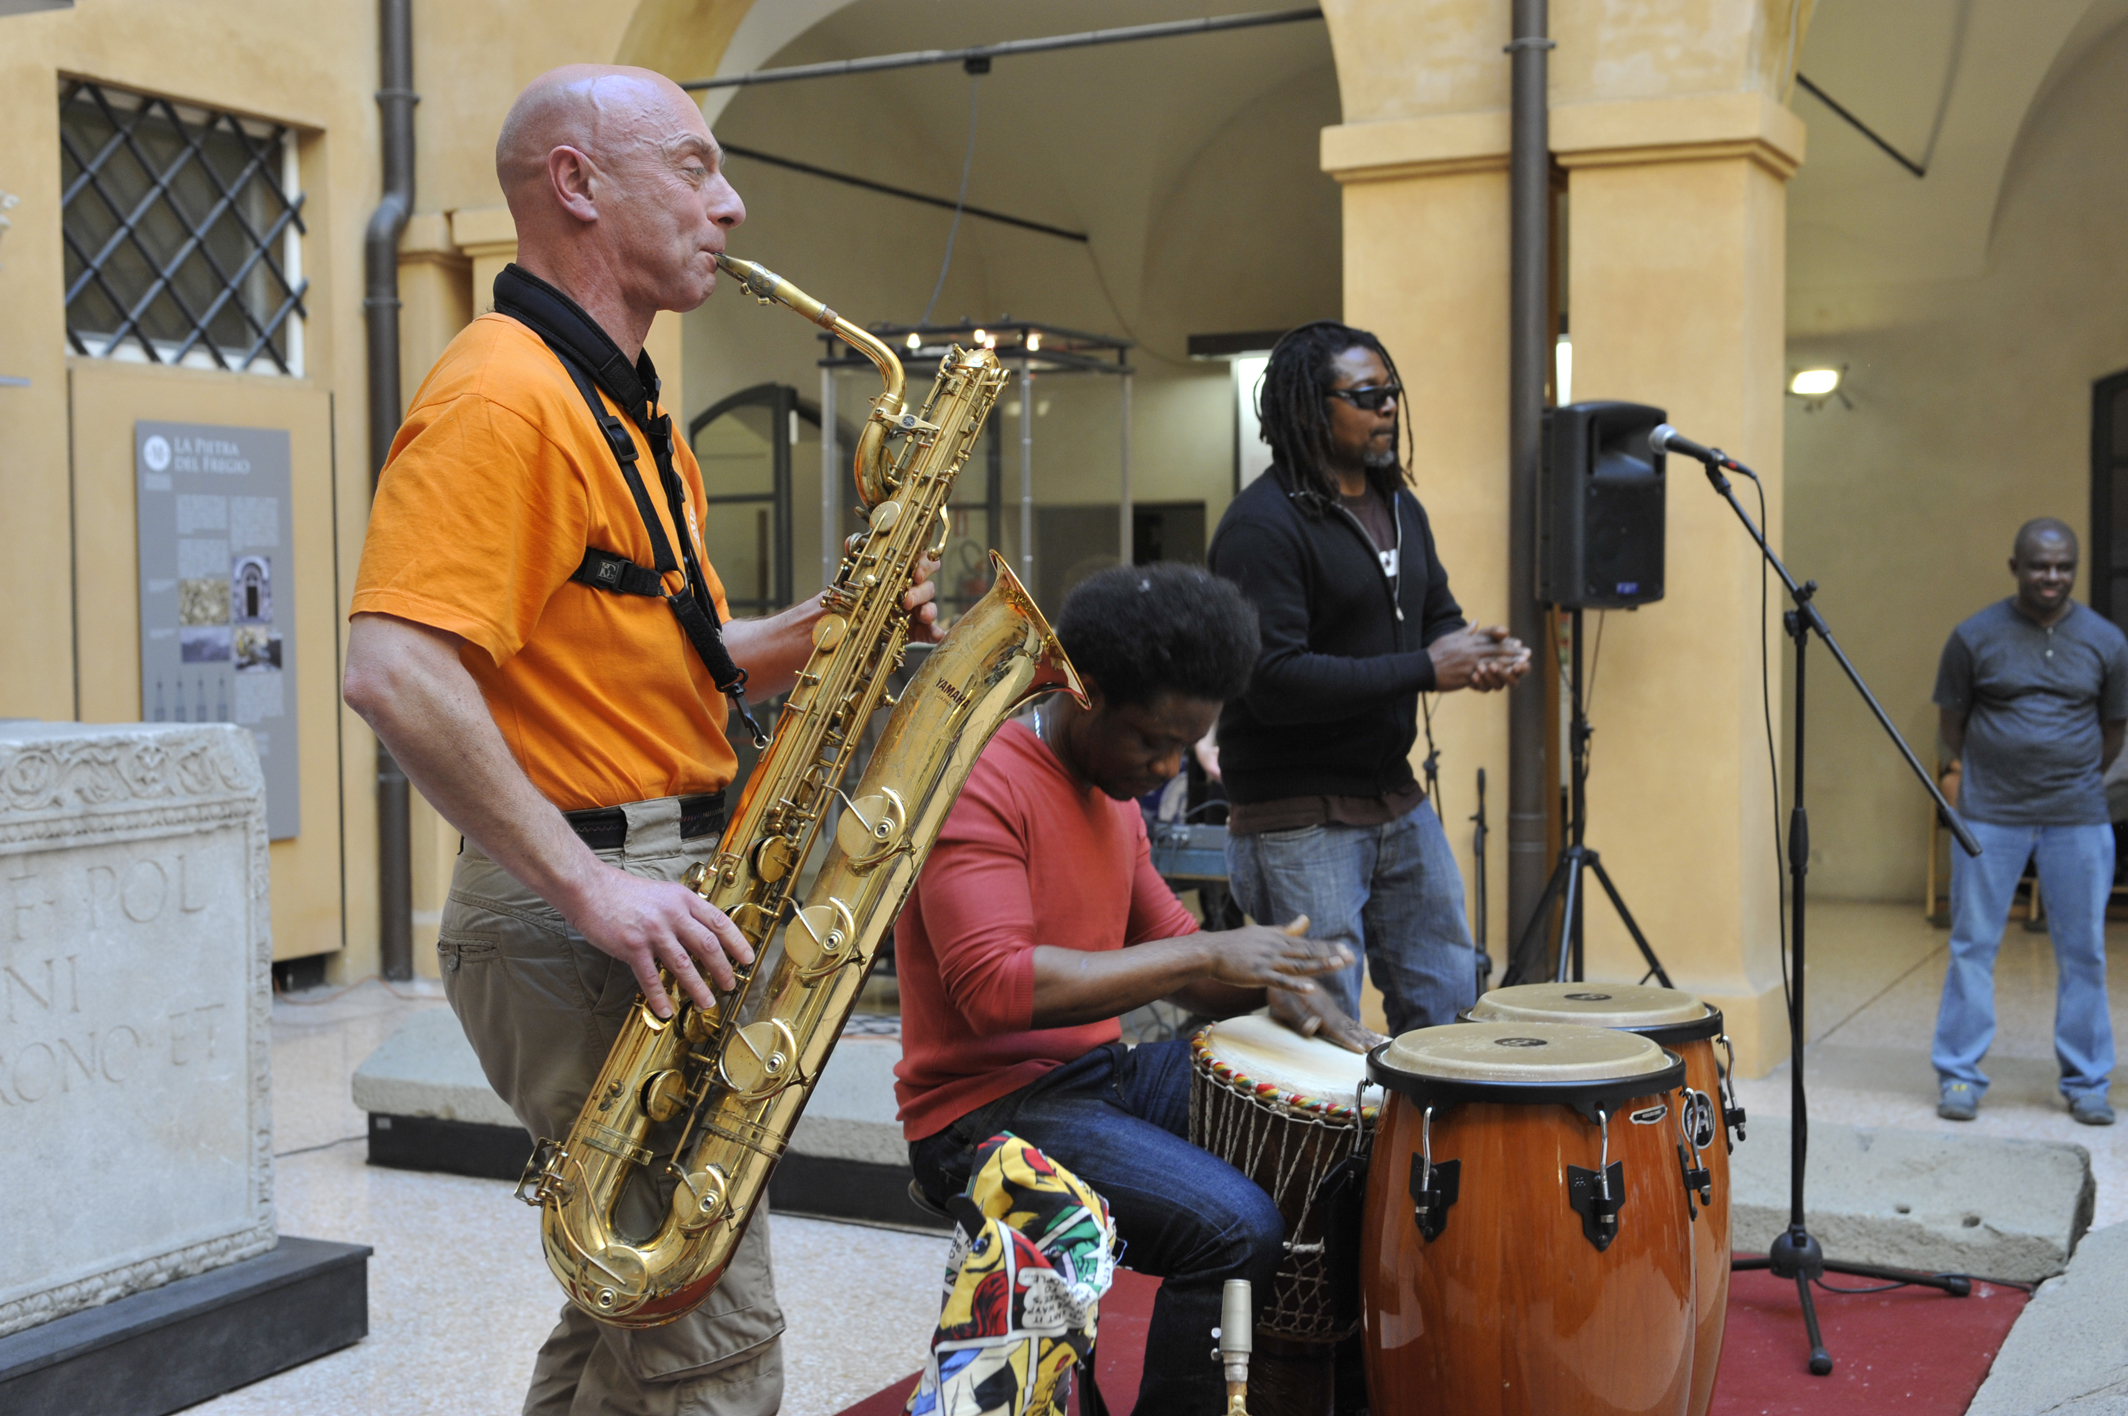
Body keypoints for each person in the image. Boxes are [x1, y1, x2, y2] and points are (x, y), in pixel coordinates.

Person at [342, 65, 942, 1415]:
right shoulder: (505, 395)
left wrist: (830, 626)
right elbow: (392, 670)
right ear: (577, 183)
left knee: (628, 1301)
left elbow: (670, 650)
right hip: (591, 907)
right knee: (712, 1341)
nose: (729, 204)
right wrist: (593, 887)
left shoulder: (614, 398)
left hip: (656, 885)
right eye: (692, 165)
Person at [898, 563, 1381, 1416]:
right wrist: (1210, 954)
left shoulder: (1114, 796)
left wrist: (1274, 986)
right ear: (1084, 690)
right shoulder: (980, 777)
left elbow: (1175, 950)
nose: (1164, 767)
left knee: (1348, 1139)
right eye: (1150, 741)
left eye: (1182, 747)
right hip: (979, 1112)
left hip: (1092, 1077)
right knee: (1234, 1228)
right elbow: (995, 989)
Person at [1207, 321, 1531, 1038]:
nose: (1387, 406)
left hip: (1394, 798)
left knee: (1449, 1002)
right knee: (1324, 1027)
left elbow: (1436, 614)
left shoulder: (1400, 508)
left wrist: (1477, 652)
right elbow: (1272, 680)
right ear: (1307, 409)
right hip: (1299, 815)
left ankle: (1432, 1120)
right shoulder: (1261, 527)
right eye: (1365, 394)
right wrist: (1428, 667)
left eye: (1391, 392)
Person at [1933, 517, 2128, 1126]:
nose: (2053, 576)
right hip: (1990, 815)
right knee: (1972, 946)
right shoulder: (1974, 636)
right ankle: (1959, 1075)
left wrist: (2071, 778)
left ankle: (2087, 1081)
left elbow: (2113, 729)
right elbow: (1952, 722)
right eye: (2040, 565)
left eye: (2064, 566)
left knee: (2085, 952)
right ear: (2015, 567)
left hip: (2077, 816)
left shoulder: (2106, 641)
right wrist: (1989, 774)